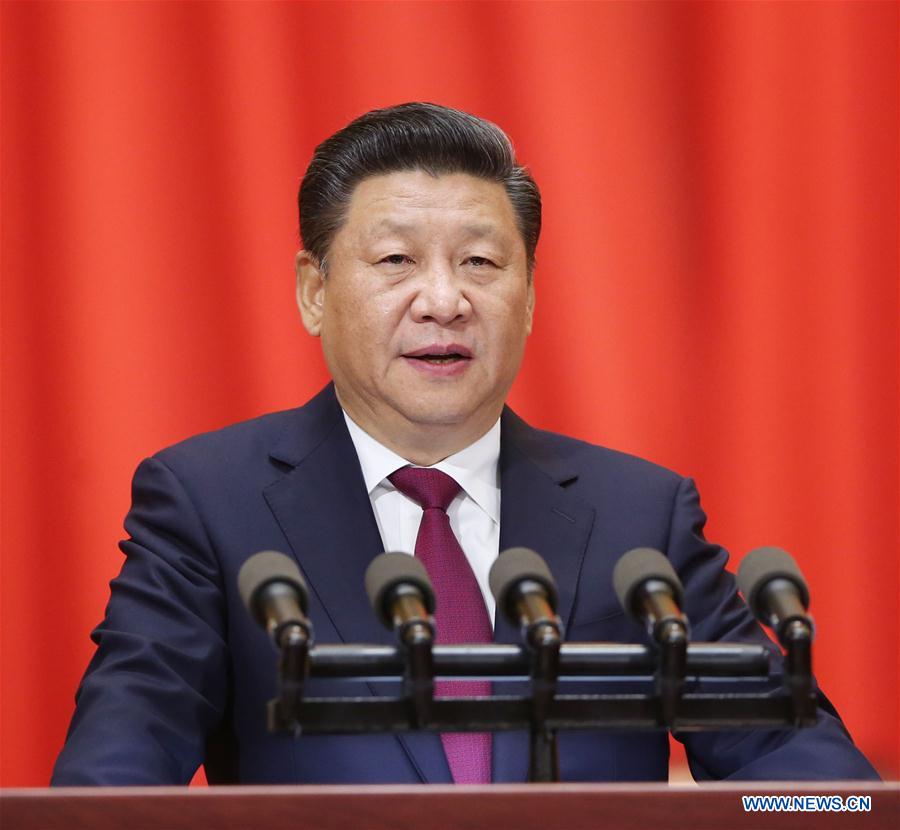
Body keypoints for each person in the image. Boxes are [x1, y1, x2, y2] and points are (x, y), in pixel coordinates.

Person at [52, 102, 878, 785]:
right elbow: (119, 766)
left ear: (528, 298)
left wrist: (793, 817)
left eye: (481, 262)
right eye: (397, 260)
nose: (443, 300)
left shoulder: (639, 517)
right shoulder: (210, 504)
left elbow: (805, 779)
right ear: (313, 291)